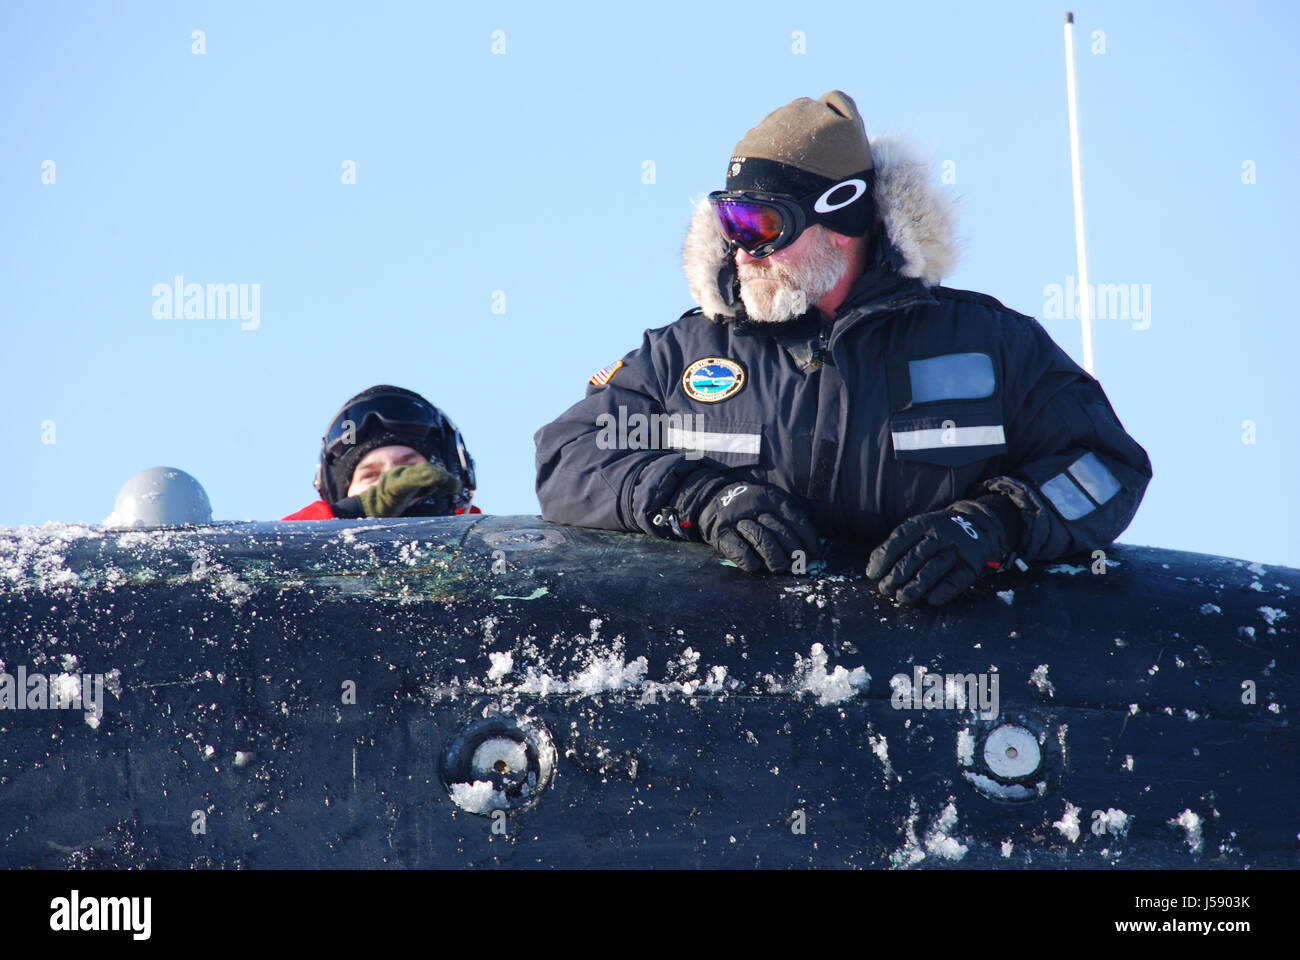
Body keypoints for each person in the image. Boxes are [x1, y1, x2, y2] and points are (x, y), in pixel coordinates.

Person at [534, 91, 1151, 606]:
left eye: (763, 225)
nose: (743, 251)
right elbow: (569, 457)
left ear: (841, 220)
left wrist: (991, 524)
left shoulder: (990, 345)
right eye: (731, 224)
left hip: (925, 699)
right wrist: (698, 499)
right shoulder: (687, 354)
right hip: (739, 696)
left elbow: (1102, 467)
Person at [283, 385, 479, 521]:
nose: (391, 482)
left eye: (408, 469)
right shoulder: (301, 563)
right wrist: (357, 511)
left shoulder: (489, 547)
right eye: (370, 475)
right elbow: (264, 554)